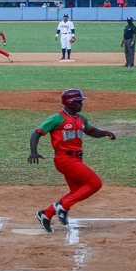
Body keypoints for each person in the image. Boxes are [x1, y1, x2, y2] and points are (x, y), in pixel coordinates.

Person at [28, 89, 116, 233]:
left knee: (77, 191)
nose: (81, 104)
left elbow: (92, 131)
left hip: (76, 159)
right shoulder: (57, 119)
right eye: (79, 102)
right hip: (64, 159)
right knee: (95, 183)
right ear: (70, 103)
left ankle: (46, 213)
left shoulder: (81, 119)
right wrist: (33, 151)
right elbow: (36, 133)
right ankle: (62, 206)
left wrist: (105, 133)